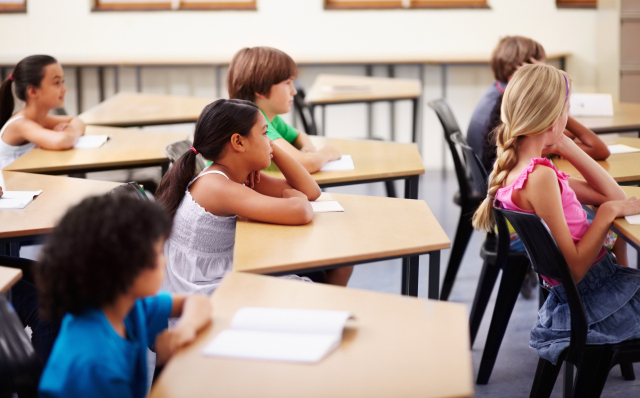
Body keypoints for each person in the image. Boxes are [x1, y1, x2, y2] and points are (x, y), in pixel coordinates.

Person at [472, 63, 640, 365]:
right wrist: (607, 213)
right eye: (567, 109)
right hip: (594, 299)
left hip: (584, 296)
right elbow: (575, 269)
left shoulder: (521, 170)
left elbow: (613, 195)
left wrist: (563, 142)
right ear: (552, 119)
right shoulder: (539, 178)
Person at [155, 99, 353, 292]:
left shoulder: (236, 173)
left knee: (338, 264)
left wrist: (270, 147)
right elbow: (301, 210)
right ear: (238, 142)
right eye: (265, 134)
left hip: (226, 271)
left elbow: (311, 192)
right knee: (323, 274)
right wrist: (294, 197)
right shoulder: (216, 186)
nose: (271, 142)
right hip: (206, 289)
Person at [37, 195, 212, 398]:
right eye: (158, 253)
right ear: (125, 267)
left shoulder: (125, 307)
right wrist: (170, 369)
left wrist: (184, 328)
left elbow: (197, 301)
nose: (164, 262)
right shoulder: (96, 365)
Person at [466, 36, 609, 173]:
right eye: (538, 69)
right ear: (521, 72)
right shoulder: (513, 108)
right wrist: (551, 93)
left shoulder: (498, 93)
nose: (542, 71)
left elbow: (565, 132)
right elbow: (598, 149)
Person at [227, 46, 342, 173]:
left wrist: (308, 147)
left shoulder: (269, 118)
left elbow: (299, 135)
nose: (294, 91)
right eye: (287, 83)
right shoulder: (253, 124)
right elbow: (304, 164)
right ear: (261, 89)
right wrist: (328, 153)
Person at [0, 55, 84, 168]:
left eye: (62, 81)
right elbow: (61, 141)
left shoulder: (41, 118)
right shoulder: (20, 124)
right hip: (12, 185)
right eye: (56, 83)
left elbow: (76, 120)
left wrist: (70, 130)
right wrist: (71, 131)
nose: (64, 89)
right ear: (33, 91)